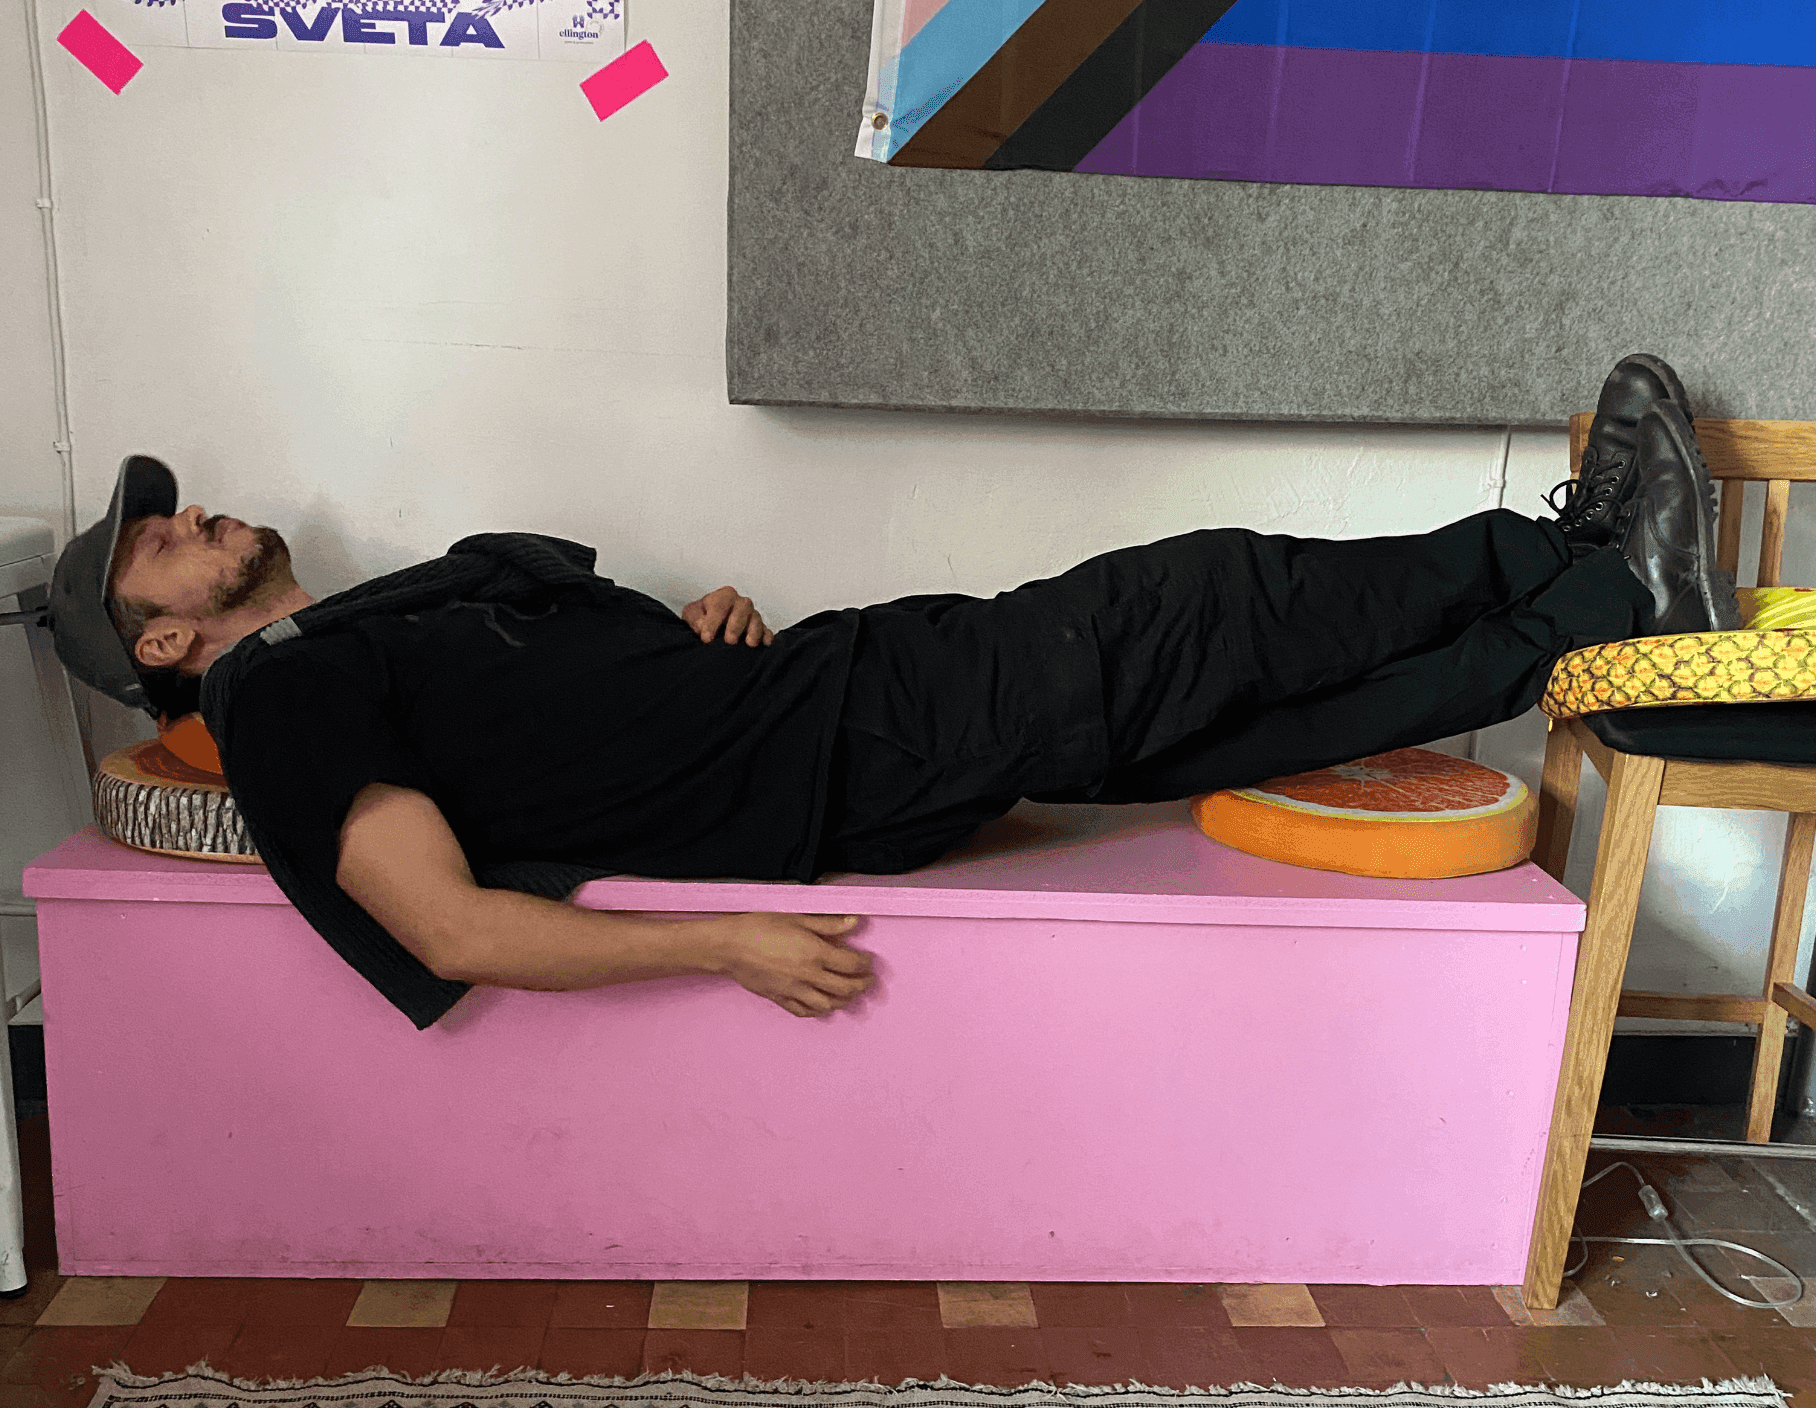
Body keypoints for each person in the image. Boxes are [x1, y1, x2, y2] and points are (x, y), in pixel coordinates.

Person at [48, 354, 1736, 1030]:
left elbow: (553, 727)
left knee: (1239, 719)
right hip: (864, 738)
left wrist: (679, 631)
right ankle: (1576, 551)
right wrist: (727, 945)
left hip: (844, 697)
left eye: (174, 511)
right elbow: (450, 925)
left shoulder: (366, 629)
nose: (194, 520)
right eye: (159, 550)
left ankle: (1606, 613)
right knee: (1215, 600)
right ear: (167, 645)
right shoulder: (284, 707)